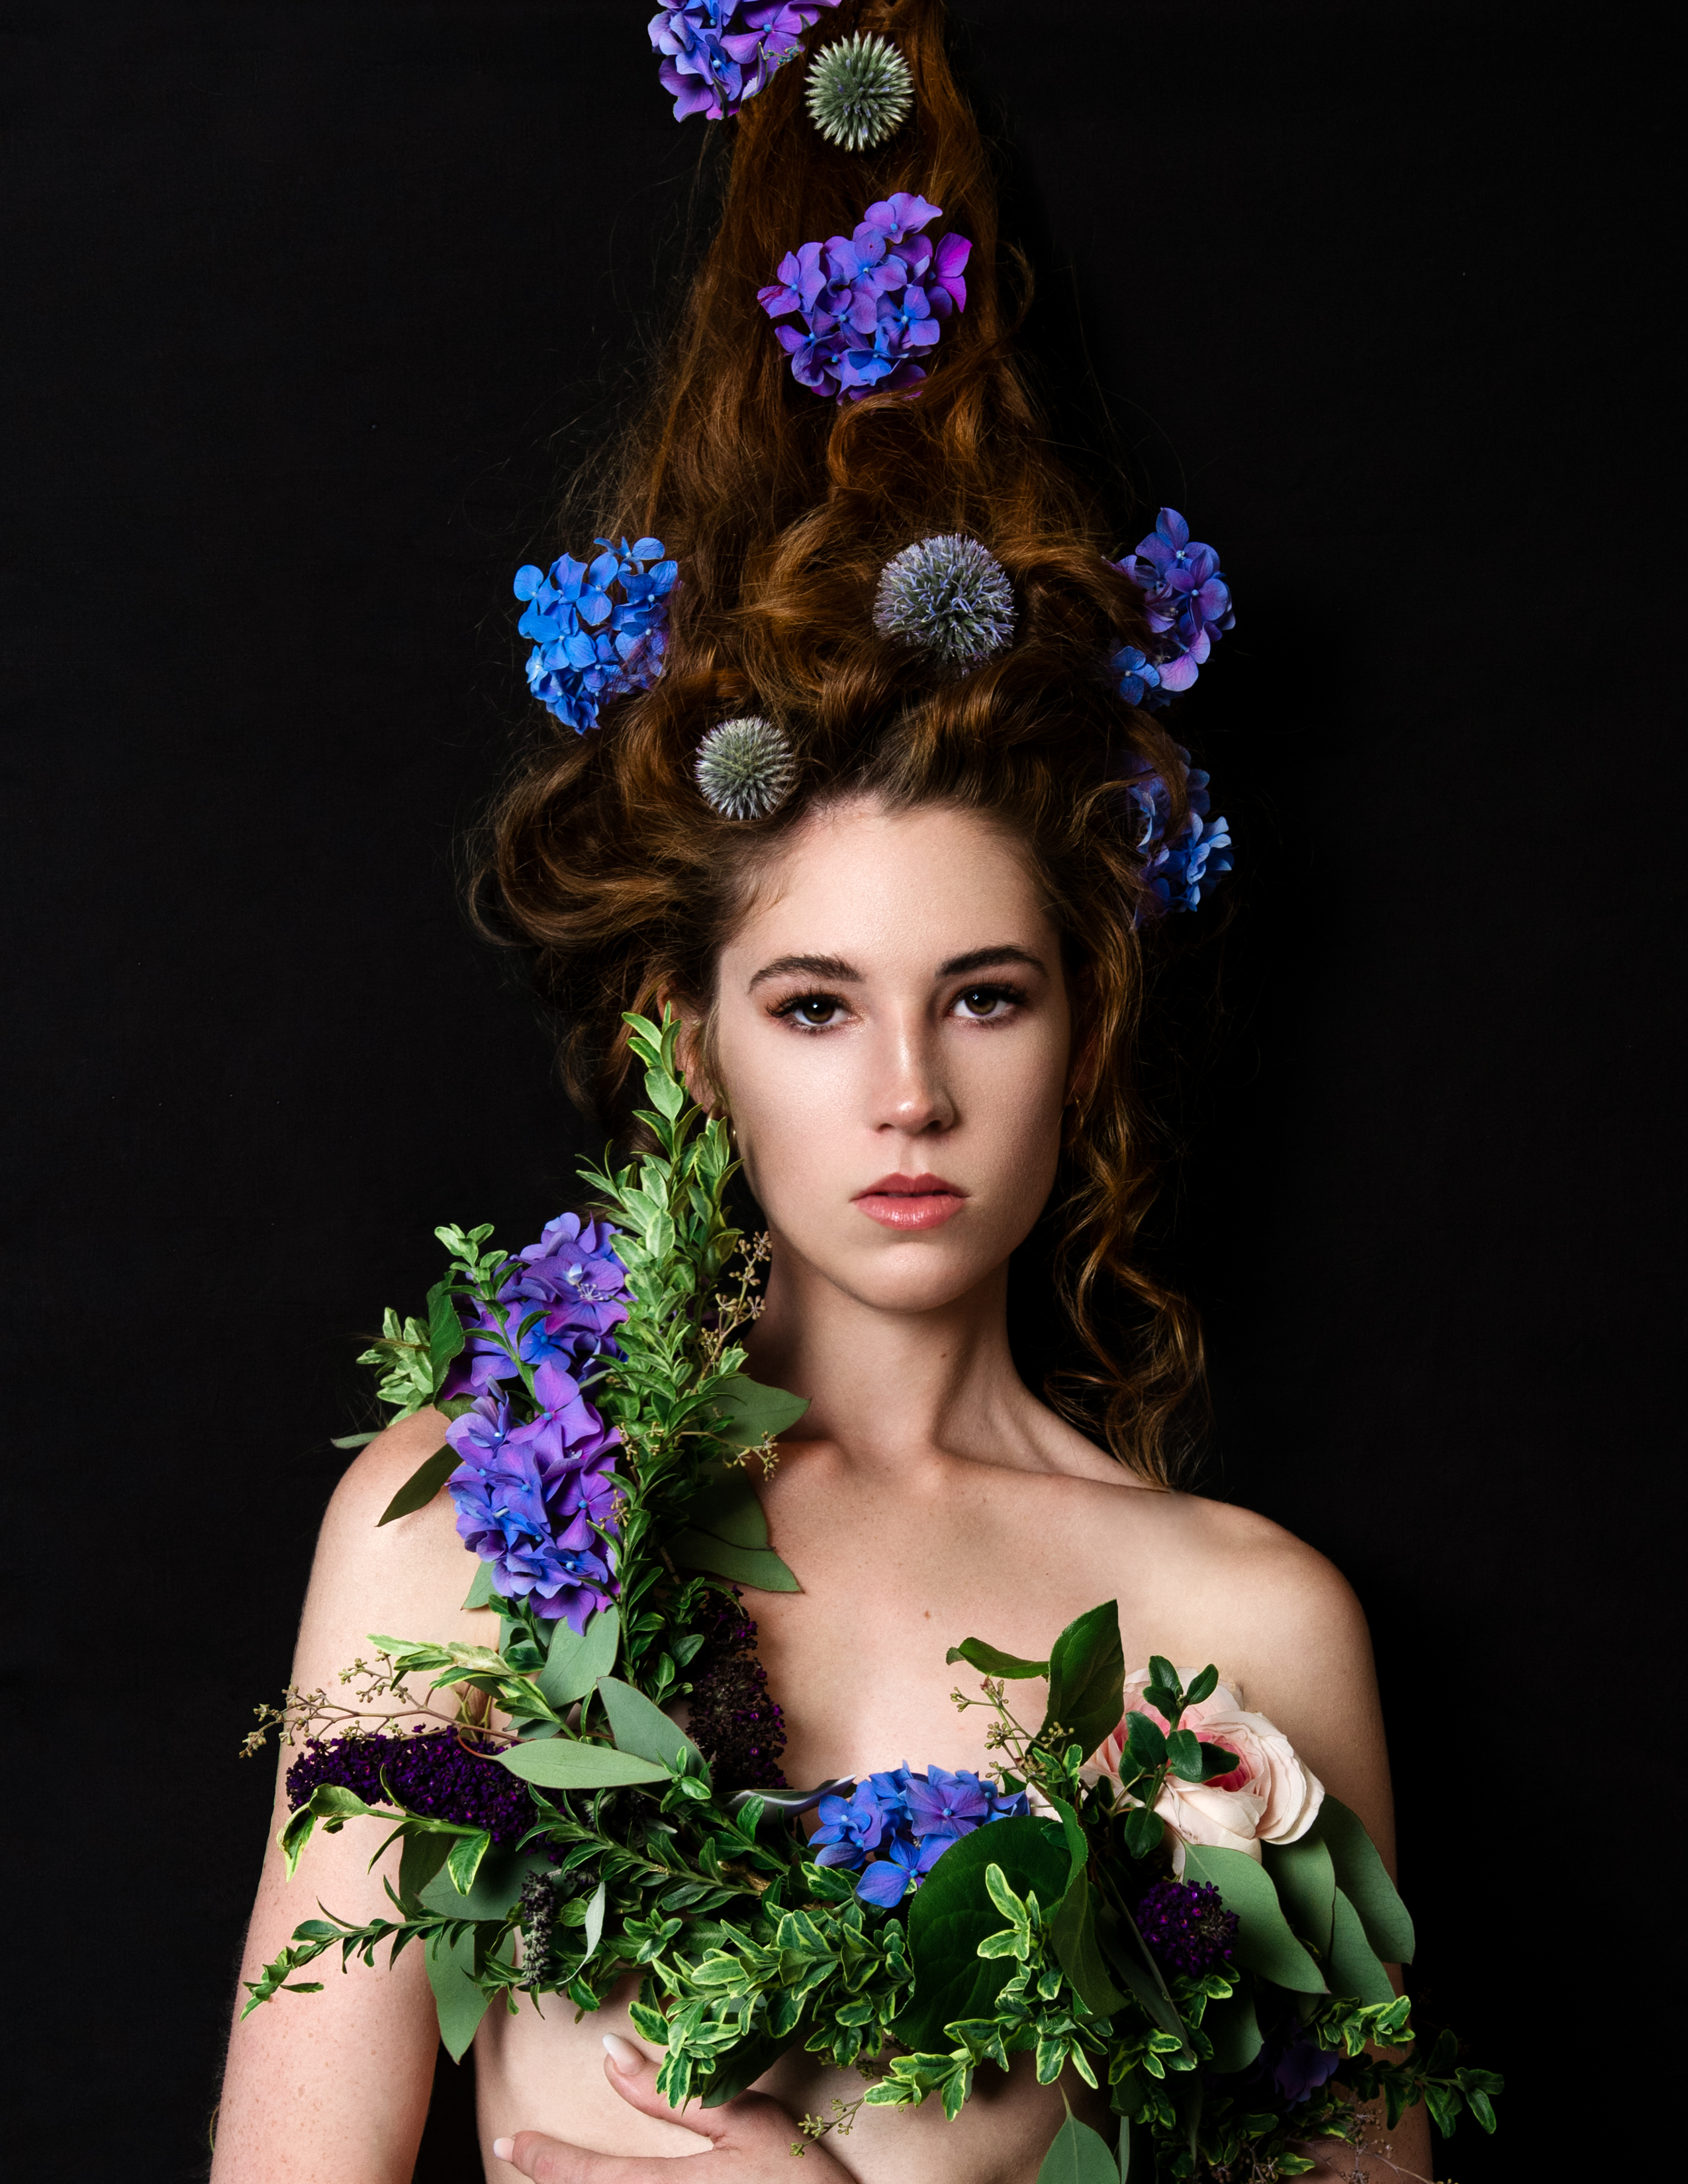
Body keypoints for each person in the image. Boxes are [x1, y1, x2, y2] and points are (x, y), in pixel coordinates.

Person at [213, 4, 1432, 2177]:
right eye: (811, 1004)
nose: (905, 1092)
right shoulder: (457, 1545)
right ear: (689, 1038)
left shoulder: (1245, 1634)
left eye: (982, 996)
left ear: (1086, 1022)